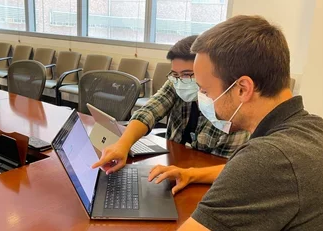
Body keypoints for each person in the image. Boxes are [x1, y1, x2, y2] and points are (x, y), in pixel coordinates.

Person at [169, 15, 323, 231]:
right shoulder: (313, 128)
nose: (202, 99)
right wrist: (194, 174)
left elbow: (260, 170)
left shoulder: (268, 157)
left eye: (205, 91)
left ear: (243, 88)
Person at [92, 36, 249, 194]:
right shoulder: (177, 81)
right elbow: (150, 110)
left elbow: (235, 169)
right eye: (176, 74)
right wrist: (122, 144)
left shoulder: (230, 106)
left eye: (188, 74)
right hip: (174, 169)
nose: (181, 81)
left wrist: (190, 174)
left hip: (209, 183)